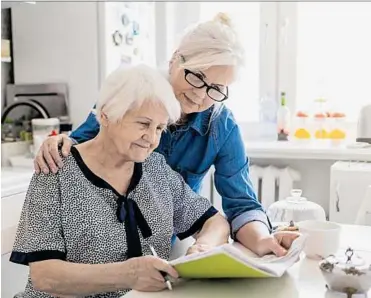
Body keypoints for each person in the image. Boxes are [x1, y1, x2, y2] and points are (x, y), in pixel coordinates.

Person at [34, 13, 299, 257]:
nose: (200, 95)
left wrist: (264, 240)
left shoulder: (221, 126)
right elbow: (79, 145)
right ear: (175, 60)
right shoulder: (133, 93)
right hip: (96, 245)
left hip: (159, 248)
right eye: (197, 76)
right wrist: (59, 143)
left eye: (216, 88)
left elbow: (241, 205)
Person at [10, 64, 230, 298]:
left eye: (160, 128)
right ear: (105, 115)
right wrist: (129, 274)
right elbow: (44, 275)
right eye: (143, 124)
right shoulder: (56, 169)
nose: (152, 138)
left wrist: (203, 248)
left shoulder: (156, 168)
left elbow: (215, 222)